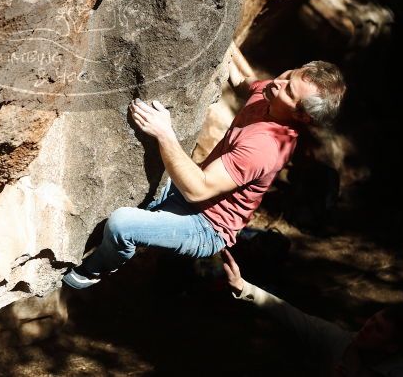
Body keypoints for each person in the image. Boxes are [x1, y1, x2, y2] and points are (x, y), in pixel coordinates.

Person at [62, 44, 346, 289]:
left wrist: (164, 132)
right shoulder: (272, 97)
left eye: (288, 90)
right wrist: (225, 32)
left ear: (302, 116)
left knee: (123, 223)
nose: (277, 83)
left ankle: (96, 270)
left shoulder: (266, 146)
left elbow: (199, 190)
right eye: (288, 76)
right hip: (192, 189)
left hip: (207, 225)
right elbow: (244, 79)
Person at [222, 249, 403, 376]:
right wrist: (243, 287)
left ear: (391, 347)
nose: (367, 327)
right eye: (372, 320)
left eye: (378, 329)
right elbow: (290, 314)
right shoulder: (340, 342)